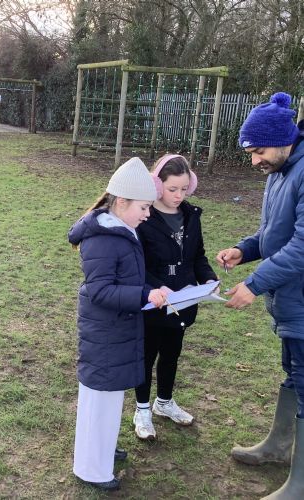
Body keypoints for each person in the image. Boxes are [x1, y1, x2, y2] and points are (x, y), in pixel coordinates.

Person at [216, 92, 304, 499]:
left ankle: (300, 484)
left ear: (284, 140)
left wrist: (253, 284)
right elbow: (275, 234)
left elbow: (301, 247)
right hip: (292, 299)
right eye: (251, 153)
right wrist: (244, 249)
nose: (254, 161)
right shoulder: (281, 171)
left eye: (259, 151)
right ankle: (280, 447)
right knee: (294, 371)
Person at [68, 157, 167, 491]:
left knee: (110, 398)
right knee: (99, 400)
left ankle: (103, 448)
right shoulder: (104, 238)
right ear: (121, 202)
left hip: (116, 328)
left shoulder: (122, 230)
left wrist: (152, 290)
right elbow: (100, 291)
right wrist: (144, 295)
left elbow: (126, 280)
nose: (148, 214)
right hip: (105, 332)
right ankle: (92, 469)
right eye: (144, 207)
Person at [132, 154, 218, 440]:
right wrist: (157, 288)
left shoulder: (191, 216)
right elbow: (137, 266)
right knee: (146, 356)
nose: (179, 195)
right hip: (153, 302)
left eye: (184, 188)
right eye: (172, 189)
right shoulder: (143, 217)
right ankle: (142, 409)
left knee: (172, 354)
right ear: (157, 185)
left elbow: (198, 256)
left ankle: (164, 402)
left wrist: (208, 279)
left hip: (184, 302)